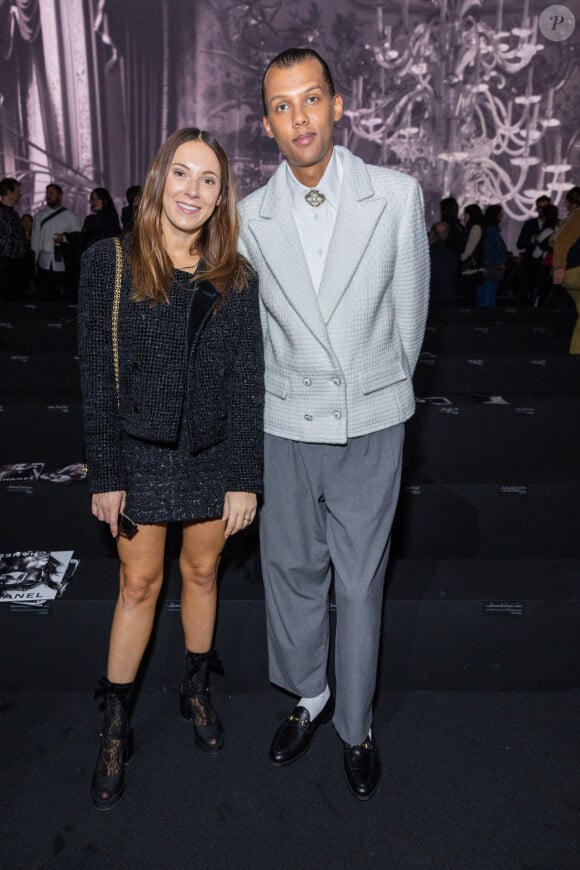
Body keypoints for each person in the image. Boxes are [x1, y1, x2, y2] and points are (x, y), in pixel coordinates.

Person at [238, 48, 429, 801]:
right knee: (288, 572)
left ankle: (356, 724)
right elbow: (252, 332)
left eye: (310, 99)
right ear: (267, 125)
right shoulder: (249, 216)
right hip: (285, 419)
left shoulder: (397, 195)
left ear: (338, 105)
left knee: (359, 582)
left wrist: (376, 390)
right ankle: (308, 695)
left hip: (369, 417)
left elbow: (408, 321)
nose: (299, 118)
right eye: (282, 107)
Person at [77, 127, 264, 811]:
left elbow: (248, 383)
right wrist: (106, 472)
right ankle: (116, 721)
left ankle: (195, 687)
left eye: (208, 179)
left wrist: (245, 475)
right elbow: (97, 376)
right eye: (181, 174)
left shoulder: (236, 277)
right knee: (139, 585)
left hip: (213, 455)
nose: (192, 190)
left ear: (221, 196)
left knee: (204, 572)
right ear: (160, 181)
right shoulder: (112, 262)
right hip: (139, 453)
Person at [31, 183, 81, 299]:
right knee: (45, 292)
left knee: (63, 293)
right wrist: (33, 262)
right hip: (44, 260)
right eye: (47, 194)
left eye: (52, 194)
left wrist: (64, 238)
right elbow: (35, 239)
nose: (49, 196)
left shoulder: (70, 216)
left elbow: (78, 237)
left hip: (64, 261)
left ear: (60, 196)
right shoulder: (39, 215)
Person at [553, 186, 580, 353]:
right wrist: (559, 267)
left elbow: (558, 239)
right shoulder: (578, 216)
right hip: (573, 270)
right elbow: (561, 241)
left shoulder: (574, 216)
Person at [517, 194, 551, 303]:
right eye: (540, 208)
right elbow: (520, 244)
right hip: (531, 266)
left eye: (545, 208)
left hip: (548, 267)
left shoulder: (555, 225)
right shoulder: (529, 224)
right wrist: (532, 239)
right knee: (527, 296)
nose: (543, 211)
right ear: (536, 208)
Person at [0, 177, 26, 298]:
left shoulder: (15, 214)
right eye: (18, 191)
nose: (20, 194)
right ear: (9, 192)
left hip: (17, 265)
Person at [478, 204, 507, 307]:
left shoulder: (490, 231)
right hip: (490, 270)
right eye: (500, 214)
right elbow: (490, 251)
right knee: (488, 299)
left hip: (489, 271)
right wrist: (499, 263)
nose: (502, 216)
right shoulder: (491, 231)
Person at [460, 203, 484, 305]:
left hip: (471, 270)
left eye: (465, 215)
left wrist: (460, 258)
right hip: (470, 269)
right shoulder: (471, 228)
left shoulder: (475, 228)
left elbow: (469, 249)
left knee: (469, 298)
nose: (463, 217)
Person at [429, 221, 459, 305]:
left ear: (431, 234)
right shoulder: (451, 255)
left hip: (429, 297)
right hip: (447, 296)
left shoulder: (425, 254)